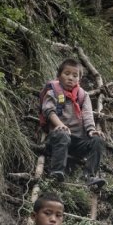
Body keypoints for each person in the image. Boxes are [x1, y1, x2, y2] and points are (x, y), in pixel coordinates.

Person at [41, 58, 106, 187]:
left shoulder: (82, 95)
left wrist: (91, 130)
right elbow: (49, 111)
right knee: (62, 135)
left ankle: (89, 176)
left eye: (75, 75)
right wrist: (60, 125)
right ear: (59, 76)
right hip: (57, 139)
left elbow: (87, 115)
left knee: (98, 140)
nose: (71, 78)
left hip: (77, 141)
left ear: (79, 80)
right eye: (67, 73)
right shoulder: (52, 92)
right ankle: (57, 171)